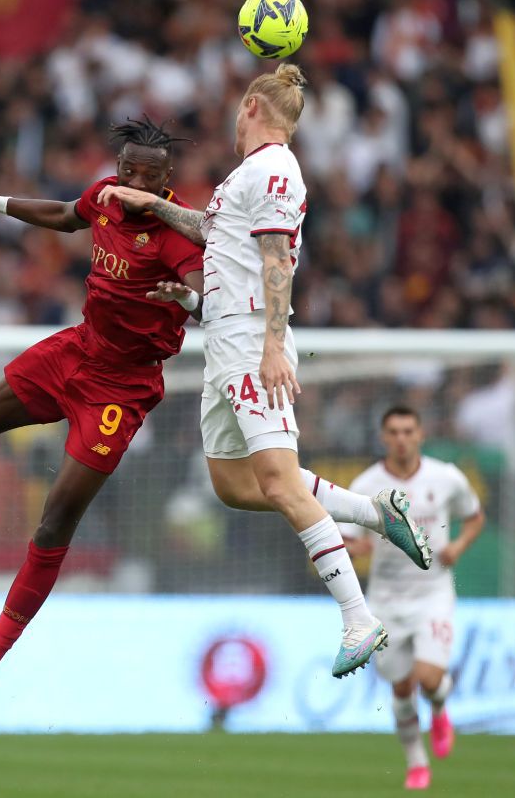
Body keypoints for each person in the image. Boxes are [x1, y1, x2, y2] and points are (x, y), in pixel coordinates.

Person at [99, 64, 433, 680]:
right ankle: (376, 512)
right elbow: (215, 235)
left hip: (255, 342)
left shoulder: (277, 168)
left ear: (252, 105)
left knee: (279, 483)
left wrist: (274, 345)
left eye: (236, 109)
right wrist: (158, 216)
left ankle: (359, 619)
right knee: (233, 484)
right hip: (223, 340)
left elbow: (278, 260)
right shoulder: (247, 176)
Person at [0, 118, 208, 721]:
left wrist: (189, 300)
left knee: (53, 523)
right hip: (76, 350)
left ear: (167, 182)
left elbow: (210, 301)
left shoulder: (179, 235)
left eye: (146, 176)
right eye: (126, 172)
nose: (131, 183)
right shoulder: (104, 198)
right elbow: (66, 214)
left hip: (123, 388)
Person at [343, 406, 486, 791]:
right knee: (401, 687)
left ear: (420, 434)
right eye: (394, 431)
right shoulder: (365, 483)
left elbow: (475, 517)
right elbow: (352, 537)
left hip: (432, 593)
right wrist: (353, 549)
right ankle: (416, 763)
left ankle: (439, 709)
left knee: (428, 678)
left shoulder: (446, 477)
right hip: (386, 600)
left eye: (408, 430)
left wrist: (458, 545)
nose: (401, 438)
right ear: (383, 437)